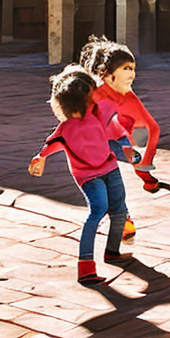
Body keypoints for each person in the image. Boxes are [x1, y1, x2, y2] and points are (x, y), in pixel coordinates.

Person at [28, 65, 133, 285]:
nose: (95, 100)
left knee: (119, 210)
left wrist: (127, 146)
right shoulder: (66, 129)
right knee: (98, 210)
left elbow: (115, 132)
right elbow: (50, 145)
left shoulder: (96, 116)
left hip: (111, 169)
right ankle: (86, 266)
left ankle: (112, 251)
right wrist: (41, 157)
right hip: (89, 177)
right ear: (77, 103)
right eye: (90, 97)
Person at [82, 36, 161, 243]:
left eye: (133, 69)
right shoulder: (92, 95)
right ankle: (123, 219)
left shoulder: (128, 97)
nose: (133, 75)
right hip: (96, 144)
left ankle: (146, 178)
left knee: (134, 159)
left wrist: (147, 161)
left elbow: (153, 128)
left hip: (119, 139)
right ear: (107, 74)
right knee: (108, 182)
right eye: (127, 69)